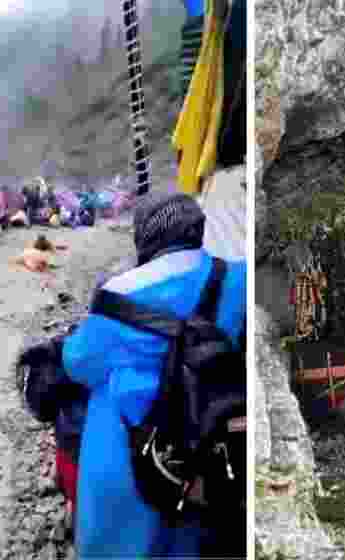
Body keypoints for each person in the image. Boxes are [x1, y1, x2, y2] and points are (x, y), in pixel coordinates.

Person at [60, 192, 246, 557]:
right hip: (211, 437)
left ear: (145, 237)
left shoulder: (121, 291)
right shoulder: (237, 278)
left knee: (104, 403)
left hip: (140, 449)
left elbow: (77, 363)